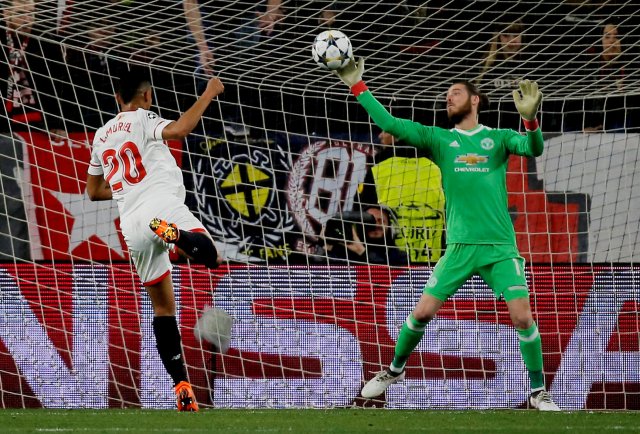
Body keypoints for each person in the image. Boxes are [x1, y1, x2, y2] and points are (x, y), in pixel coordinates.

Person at [334, 58, 561, 411]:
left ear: (475, 100)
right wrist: (357, 85)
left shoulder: (497, 139)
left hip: (500, 247)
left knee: (522, 317)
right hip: (458, 248)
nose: (448, 98)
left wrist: (530, 121)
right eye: (446, 95)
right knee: (422, 313)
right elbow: (390, 123)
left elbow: (534, 149)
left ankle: (538, 391)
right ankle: (393, 371)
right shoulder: (440, 140)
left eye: (455, 93)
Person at [86, 68, 225, 412]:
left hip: (131, 223)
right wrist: (209, 93)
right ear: (146, 96)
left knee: (163, 309)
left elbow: (92, 192)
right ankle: (175, 235)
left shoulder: (101, 136)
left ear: (117, 98)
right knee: (210, 255)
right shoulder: (143, 118)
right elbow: (179, 130)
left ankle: (182, 387)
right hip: (160, 206)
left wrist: (122, 189)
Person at [362, 131, 445, 264]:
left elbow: (365, 211)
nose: (380, 135)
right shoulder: (438, 166)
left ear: (398, 133)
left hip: (389, 263)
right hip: (433, 262)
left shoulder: (378, 166)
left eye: (384, 130)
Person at [1, 0, 74, 135]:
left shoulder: (46, 43)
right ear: (6, 14)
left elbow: (57, 87)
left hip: (39, 125)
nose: (27, 20)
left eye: (31, 14)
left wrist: (57, 124)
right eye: (20, 14)